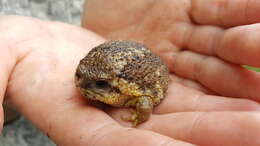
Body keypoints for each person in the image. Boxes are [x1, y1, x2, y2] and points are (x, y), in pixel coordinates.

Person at [1, 0, 260, 145]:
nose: (81, 85)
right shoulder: (89, 76)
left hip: (143, 73)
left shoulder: (130, 92)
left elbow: (145, 101)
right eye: (80, 76)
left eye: (98, 85)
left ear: (114, 88)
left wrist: (139, 116)